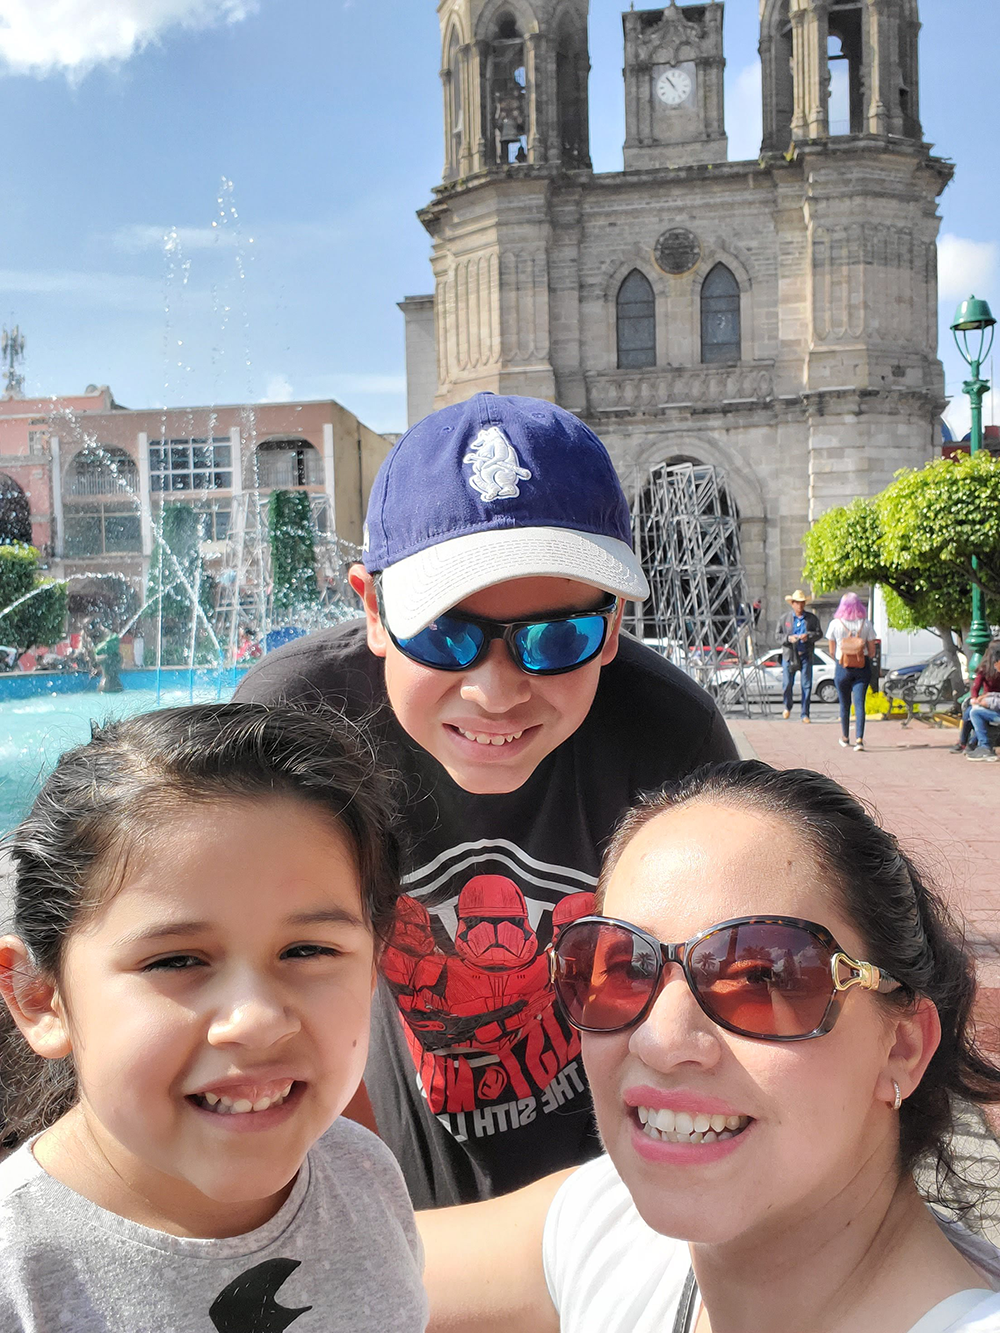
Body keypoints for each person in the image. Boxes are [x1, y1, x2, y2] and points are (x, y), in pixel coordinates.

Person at [235, 391, 737, 1210]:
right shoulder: (294, 723)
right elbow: (264, 989)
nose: (497, 692)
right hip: (382, 1154)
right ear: (372, 607)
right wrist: (363, 1199)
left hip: (614, 1167)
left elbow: (711, 991)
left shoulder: (668, 734)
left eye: (558, 638)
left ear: (611, 629)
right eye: (443, 632)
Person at [421, 761, 1000, 1332]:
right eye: (619, 966)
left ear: (901, 1046)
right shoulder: (608, 1228)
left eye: (762, 978)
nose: (659, 1040)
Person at [0, 703, 426, 1333]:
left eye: (307, 950)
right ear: (41, 997)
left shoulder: (360, 1172)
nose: (255, 1020)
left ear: (374, 967)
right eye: (177, 960)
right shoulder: (19, 1272)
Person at [827, 591, 877, 751]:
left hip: (843, 667)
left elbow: (831, 651)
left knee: (844, 704)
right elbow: (873, 650)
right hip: (862, 668)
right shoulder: (866, 624)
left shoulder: (835, 623)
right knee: (860, 703)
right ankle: (860, 739)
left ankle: (845, 737)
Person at [774, 588, 822, 722]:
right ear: (792, 604)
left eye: (802, 603)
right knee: (787, 683)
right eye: (797, 603)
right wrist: (788, 638)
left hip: (805, 654)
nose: (799, 606)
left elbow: (819, 633)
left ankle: (805, 713)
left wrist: (809, 637)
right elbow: (777, 635)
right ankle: (787, 706)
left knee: (806, 684)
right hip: (790, 655)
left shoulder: (811, 618)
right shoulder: (785, 619)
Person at [966, 640, 1000, 763]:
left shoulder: (985, 669)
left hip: (994, 707)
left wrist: (982, 701)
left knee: (974, 713)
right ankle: (974, 744)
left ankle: (983, 747)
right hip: (992, 703)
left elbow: (975, 688)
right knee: (972, 712)